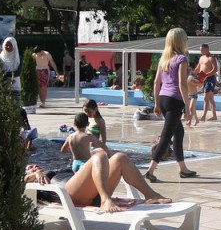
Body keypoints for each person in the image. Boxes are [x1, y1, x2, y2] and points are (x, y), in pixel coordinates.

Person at [35, 150, 173, 214]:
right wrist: (34, 174)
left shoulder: (58, 170)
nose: (34, 166)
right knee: (99, 156)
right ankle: (105, 200)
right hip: (67, 192)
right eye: (30, 166)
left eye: (35, 166)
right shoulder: (37, 178)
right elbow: (23, 183)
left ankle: (150, 195)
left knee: (120, 158)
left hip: (91, 189)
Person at [145, 28, 196, 181]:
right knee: (166, 137)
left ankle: (183, 169)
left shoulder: (164, 59)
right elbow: (182, 83)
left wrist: (156, 103)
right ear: (181, 41)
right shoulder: (181, 59)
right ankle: (150, 171)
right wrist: (187, 105)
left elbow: (156, 82)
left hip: (163, 98)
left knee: (178, 132)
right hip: (175, 100)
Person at [195, 43, 218, 122]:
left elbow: (215, 69)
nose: (200, 51)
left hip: (210, 79)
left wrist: (206, 75)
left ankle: (204, 116)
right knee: (210, 98)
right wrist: (192, 74)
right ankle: (214, 116)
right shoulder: (201, 58)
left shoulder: (212, 58)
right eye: (200, 50)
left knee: (206, 97)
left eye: (202, 50)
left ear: (207, 49)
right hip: (203, 79)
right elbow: (198, 68)